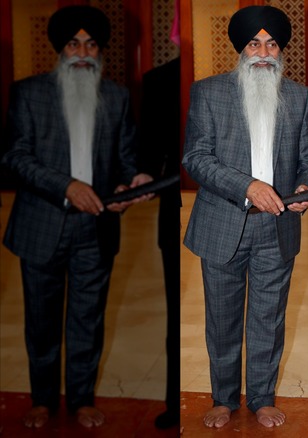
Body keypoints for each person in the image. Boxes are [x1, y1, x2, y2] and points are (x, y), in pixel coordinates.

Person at [1, 5, 151, 429]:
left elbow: (125, 160)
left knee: (88, 317)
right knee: (42, 321)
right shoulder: (29, 93)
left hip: (95, 227)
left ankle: (82, 398)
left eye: (90, 44)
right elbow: (14, 157)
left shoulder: (117, 96)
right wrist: (65, 185)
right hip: (42, 224)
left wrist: (130, 183)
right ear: (61, 50)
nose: (83, 52)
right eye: (74, 44)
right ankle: (43, 400)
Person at [181, 5, 308, 430]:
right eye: (254, 44)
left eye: (272, 44)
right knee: (222, 318)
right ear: (241, 50)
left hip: (276, 226)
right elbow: (196, 158)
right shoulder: (208, 92)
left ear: (281, 51)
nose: (263, 52)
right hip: (224, 222)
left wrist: (303, 189)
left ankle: (262, 397)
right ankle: (223, 398)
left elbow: (307, 159)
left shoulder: (298, 97)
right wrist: (247, 186)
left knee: (268, 317)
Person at [138, 55, 181, 429]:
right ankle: (174, 402)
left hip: (235, 207)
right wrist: (141, 176)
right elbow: (148, 147)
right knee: (175, 313)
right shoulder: (159, 80)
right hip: (173, 211)